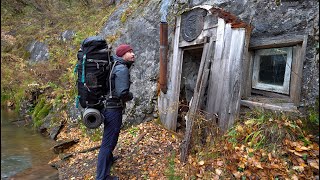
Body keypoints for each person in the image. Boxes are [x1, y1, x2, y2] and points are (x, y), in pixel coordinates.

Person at [96, 44, 135, 180]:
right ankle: (102, 177)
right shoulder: (121, 68)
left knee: (109, 137)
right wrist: (130, 96)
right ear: (122, 55)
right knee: (109, 142)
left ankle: (110, 160)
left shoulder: (114, 65)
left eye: (132, 51)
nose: (132, 54)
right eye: (129, 52)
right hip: (113, 109)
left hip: (107, 106)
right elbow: (122, 92)